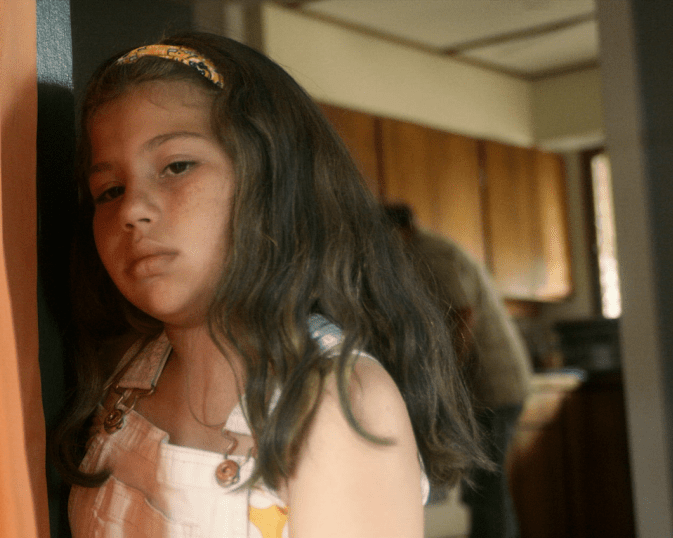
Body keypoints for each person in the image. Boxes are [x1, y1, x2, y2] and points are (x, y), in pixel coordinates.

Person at [52, 32, 488, 538]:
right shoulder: (125, 377)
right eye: (110, 190)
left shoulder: (337, 403)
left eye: (177, 166)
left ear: (273, 180)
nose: (131, 209)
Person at [385, 204, 532, 538]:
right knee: (483, 489)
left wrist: (443, 378)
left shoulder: (430, 253)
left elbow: (463, 315)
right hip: (491, 389)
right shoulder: (424, 252)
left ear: (398, 231)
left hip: (492, 388)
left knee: (486, 490)